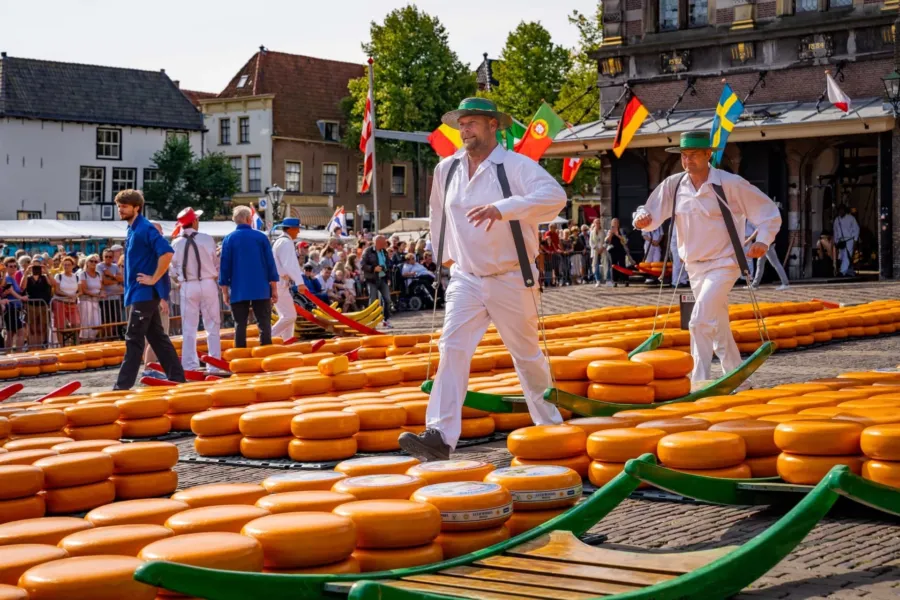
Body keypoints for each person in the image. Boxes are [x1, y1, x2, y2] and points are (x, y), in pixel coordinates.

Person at [399, 97, 565, 462]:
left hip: (510, 276)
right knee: (452, 348)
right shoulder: (447, 169)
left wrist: (503, 209)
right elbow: (437, 211)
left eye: (473, 122)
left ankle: (551, 428)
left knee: (525, 354)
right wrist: (443, 255)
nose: (465, 129)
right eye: (462, 123)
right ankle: (440, 435)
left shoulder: (516, 166)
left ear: (493, 126)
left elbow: (555, 197)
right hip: (466, 277)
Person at [633, 130, 781, 384]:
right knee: (717, 326)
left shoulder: (729, 183)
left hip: (725, 264)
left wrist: (763, 241)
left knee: (699, 321)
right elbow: (649, 212)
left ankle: (698, 382)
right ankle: (739, 380)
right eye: (684, 155)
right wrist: (642, 219)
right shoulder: (674, 185)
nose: (687, 160)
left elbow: (768, 212)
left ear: (708, 154)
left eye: (693, 155)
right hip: (694, 267)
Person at [112, 189, 185, 389]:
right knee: (157, 338)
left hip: (144, 293)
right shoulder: (132, 229)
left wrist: (154, 279)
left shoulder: (145, 228)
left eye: (124, 206)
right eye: (119, 206)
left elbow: (167, 253)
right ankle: (178, 378)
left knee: (133, 338)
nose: (120, 209)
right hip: (139, 292)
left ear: (136, 207)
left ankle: (122, 387)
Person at [170, 207, 222, 373]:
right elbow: (215, 261)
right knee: (212, 326)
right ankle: (214, 364)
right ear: (194, 221)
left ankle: (189, 365)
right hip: (207, 283)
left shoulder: (176, 242)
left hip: (188, 284)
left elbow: (172, 269)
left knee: (188, 328)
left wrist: (179, 278)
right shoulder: (207, 239)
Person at [219, 206, 279, 348]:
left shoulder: (229, 239)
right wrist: (274, 289)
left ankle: (239, 356)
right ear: (248, 219)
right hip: (261, 288)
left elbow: (224, 267)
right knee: (264, 323)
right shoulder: (261, 237)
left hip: (239, 289)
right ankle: (266, 353)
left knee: (239, 324)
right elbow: (270, 264)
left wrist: (224, 292)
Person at [271, 218, 307, 341]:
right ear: (291, 229)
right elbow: (290, 265)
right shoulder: (286, 242)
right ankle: (266, 339)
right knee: (290, 316)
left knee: (287, 317)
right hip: (279, 282)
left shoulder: (281, 241)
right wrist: (300, 283)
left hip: (280, 282)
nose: (298, 232)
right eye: (297, 229)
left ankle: (287, 342)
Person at [21, 257, 56, 347]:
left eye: (38, 266)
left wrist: (47, 271)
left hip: (43, 305)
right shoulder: (28, 278)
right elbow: (22, 287)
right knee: (32, 328)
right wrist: (26, 273)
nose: (36, 268)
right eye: (34, 266)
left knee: (42, 327)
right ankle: (33, 346)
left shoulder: (44, 277)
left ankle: (41, 345)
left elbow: (53, 284)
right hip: (31, 306)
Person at [361, 235, 393, 329]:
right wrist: (373, 268)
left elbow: (387, 264)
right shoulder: (367, 251)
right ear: (377, 242)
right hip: (372, 279)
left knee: (387, 299)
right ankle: (371, 322)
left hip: (383, 278)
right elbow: (362, 265)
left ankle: (386, 320)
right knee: (373, 301)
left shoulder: (384, 251)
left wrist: (388, 276)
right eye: (383, 242)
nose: (385, 243)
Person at [748, 221, 790, 290]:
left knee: (776, 264)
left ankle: (785, 283)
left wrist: (747, 240)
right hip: (764, 245)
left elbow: (757, 231)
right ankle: (755, 285)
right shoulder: (768, 221)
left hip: (767, 245)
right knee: (760, 265)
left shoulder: (765, 222)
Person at [52, 256, 80, 345]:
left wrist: (76, 295)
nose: (66, 266)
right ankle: (62, 345)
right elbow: (57, 290)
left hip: (72, 303)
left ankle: (75, 342)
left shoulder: (76, 277)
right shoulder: (59, 276)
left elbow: (80, 290)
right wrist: (67, 295)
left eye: (68, 265)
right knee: (60, 326)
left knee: (76, 324)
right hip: (60, 302)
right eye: (64, 265)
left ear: (73, 265)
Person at [77, 254, 104, 340]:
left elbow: (101, 287)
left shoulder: (99, 274)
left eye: (95, 261)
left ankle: (91, 340)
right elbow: (84, 289)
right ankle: (85, 342)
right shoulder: (82, 274)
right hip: (85, 301)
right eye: (91, 261)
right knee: (86, 325)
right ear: (87, 263)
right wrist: (97, 295)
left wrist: (103, 293)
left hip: (95, 301)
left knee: (97, 323)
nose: (93, 263)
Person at [2, 257, 26, 349]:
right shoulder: (7, 278)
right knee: (20, 332)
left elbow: (18, 289)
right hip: (10, 308)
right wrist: (21, 298)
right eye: (10, 266)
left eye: (15, 266)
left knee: (10, 333)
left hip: (15, 308)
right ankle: (18, 354)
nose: (13, 268)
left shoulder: (14, 278)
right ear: (6, 267)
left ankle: (9, 353)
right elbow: (11, 291)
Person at [833, 205, 859, 276]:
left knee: (847, 256)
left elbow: (856, 229)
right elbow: (835, 231)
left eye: (842, 210)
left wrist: (855, 240)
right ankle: (848, 271)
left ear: (845, 210)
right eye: (839, 210)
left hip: (849, 240)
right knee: (841, 256)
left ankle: (842, 272)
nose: (841, 212)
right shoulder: (836, 220)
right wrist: (835, 241)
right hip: (841, 241)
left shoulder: (851, 218)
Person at [605, 218, 629, 288]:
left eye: (616, 223)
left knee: (622, 265)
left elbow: (625, 241)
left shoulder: (621, 230)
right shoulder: (609, 231)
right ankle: (615, 281)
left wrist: (617, 234)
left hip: (621, 250)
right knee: (613, 265)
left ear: (618, 224)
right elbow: (606, 241)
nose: (615, 224)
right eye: (613, 223)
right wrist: (610, 235)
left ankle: (625, 280)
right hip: (612, 250)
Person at [589, 219, 606, 287]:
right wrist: (596, 249)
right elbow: (591, 242)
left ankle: (607, 279)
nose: (598, 224)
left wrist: (602, 248)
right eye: (596, 223)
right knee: (595, 266)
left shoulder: (603, 232)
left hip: (602, 250)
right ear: (594, 223)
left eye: (599, 223)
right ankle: (598, 280)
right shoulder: (592, 232)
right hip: (595, 251)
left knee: (606, 264)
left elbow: (605, 241)